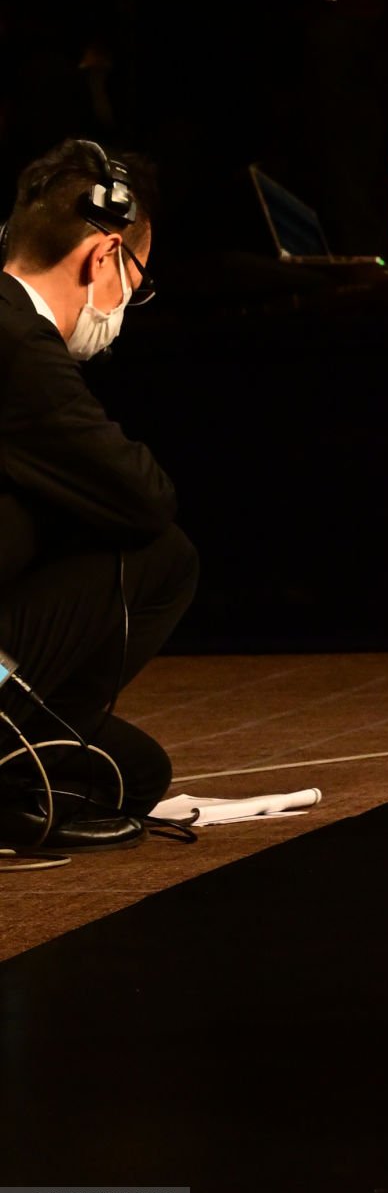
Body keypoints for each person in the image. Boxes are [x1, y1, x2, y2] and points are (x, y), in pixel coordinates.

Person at [0, 137, 198, 851]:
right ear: (103, 256)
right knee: (163, 556)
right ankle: (12, 765)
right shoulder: (19, 345)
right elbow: (145, 497)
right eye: (135, 279)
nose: (127, 302)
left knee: (132, 772)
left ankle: (26, 754)